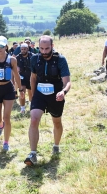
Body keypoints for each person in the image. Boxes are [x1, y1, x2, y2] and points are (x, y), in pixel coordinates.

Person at [24, 35, 71, 166]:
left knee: (56, 122)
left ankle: (56, 145)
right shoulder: (34, 59)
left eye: (47, 48)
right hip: (39, 94)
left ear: (52, 46)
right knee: (33, 119)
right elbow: (33, 78)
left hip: (56, 95)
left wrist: (63, 92)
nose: (44, 52)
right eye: (41, 49)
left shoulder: (60, 60)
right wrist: (33, 97)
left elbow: (67, 82)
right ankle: (33, 154)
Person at [0, 36, 25, 151]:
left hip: (8, 89)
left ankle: (6, 142)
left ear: (6, 47)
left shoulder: (12, 60)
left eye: (1, 46)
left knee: (7, 117)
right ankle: (0, 125)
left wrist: (21, 90)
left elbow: (16, 76)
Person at [16, 43, 33, 114]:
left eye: (24, 49)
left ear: (27, 49)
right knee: (22, 91)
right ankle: (22, 108)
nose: (23, 51)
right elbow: (14, 67)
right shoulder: (17, 57)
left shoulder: (32, 56)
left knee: (31, 92)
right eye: (22, 49)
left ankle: (31, 105)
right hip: (22, 77)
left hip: (31, 76)